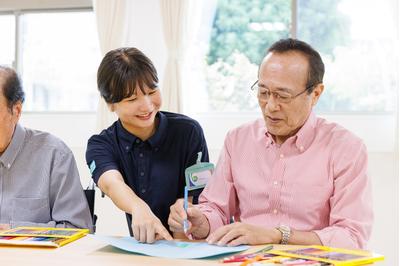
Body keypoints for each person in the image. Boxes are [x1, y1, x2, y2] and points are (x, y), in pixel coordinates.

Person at [168, 38, 373, 249]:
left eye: (283, 96)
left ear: (316, 94)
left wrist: (277, 235)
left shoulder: (346, 148)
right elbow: (216, 209)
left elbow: (351, 237)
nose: (271, 106)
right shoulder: (238, 140)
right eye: (263, 93)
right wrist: (201, 221)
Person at [86, 47, 209, 243]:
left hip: (191, 244)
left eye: (152, 91)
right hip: (146, 248)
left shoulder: (188, 131)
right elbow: (111, 184)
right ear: (110, 103)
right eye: (132, 99)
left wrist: (183, 214)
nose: (147, 105)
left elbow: (198, 194)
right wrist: (138, 207)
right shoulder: (101, 144)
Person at [0, 66, 92, 230]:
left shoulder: (55, 156)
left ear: (17, 110)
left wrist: (14, 230)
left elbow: (77, 229)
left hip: (30, 256)